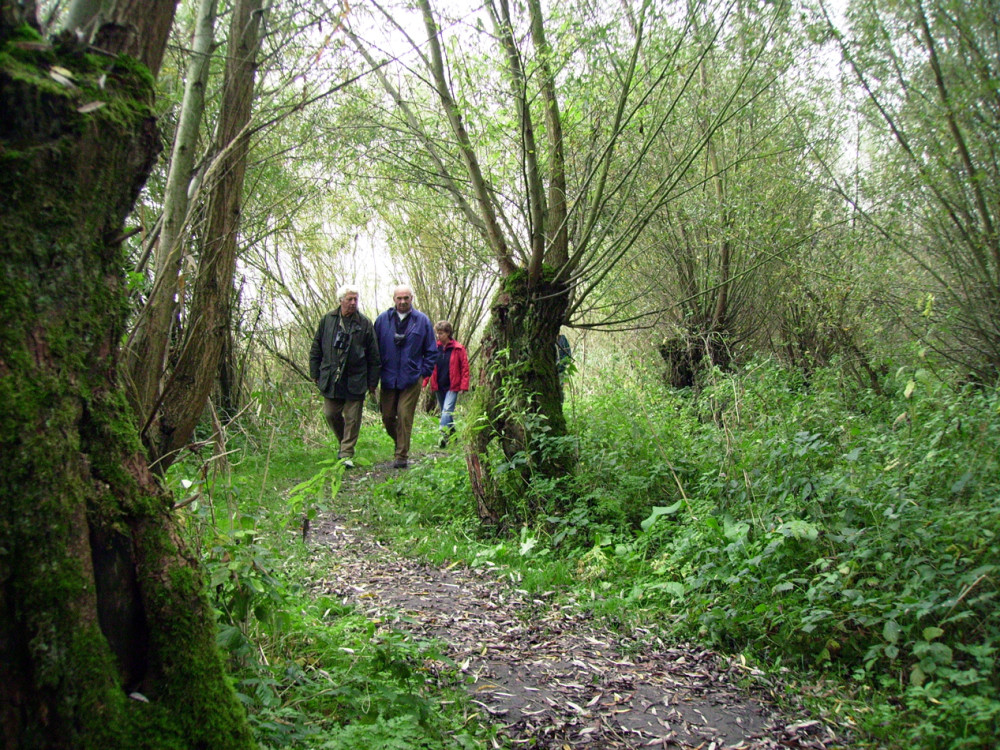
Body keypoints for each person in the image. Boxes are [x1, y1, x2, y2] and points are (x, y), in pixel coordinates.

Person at [309, 285, 380, 468]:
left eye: (356, 299)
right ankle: (344, 443)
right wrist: (314, 372)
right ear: (341, 300)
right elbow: (316, 347)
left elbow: (374, 355)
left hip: (356, 378)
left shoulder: (364, 323)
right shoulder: (327, 320)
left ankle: (346, 453)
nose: (353, 303)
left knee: (352, 417)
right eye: (349, 299)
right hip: (331, 377)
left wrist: (372, 382)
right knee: (330, 413)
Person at [374, 284, 437, 468]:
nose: (402, 301)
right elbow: (373, 349)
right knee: (387, 417)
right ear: (394, 299)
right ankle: (400, 441)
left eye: (406, 298)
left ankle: (401, 455)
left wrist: (423, 373)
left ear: (411, 298)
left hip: (411, 378)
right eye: (399, 298)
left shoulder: (422, 321)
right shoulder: (382, 320)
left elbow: (431, 351)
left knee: (404, 415)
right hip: (387, 377)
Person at [424, 321, 470, 447]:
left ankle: (443, 437)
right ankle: (454, 437)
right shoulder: (434, 348)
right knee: (447, 414)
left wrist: (464, 386)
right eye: (437, 333)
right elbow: (429, 365)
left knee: (446, 412)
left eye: (441, 333)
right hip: (438, 385)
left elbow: (465, 368)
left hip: (453, 386)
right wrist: (424, 382)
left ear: (448, 333)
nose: (438, 336)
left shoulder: (458, 348)